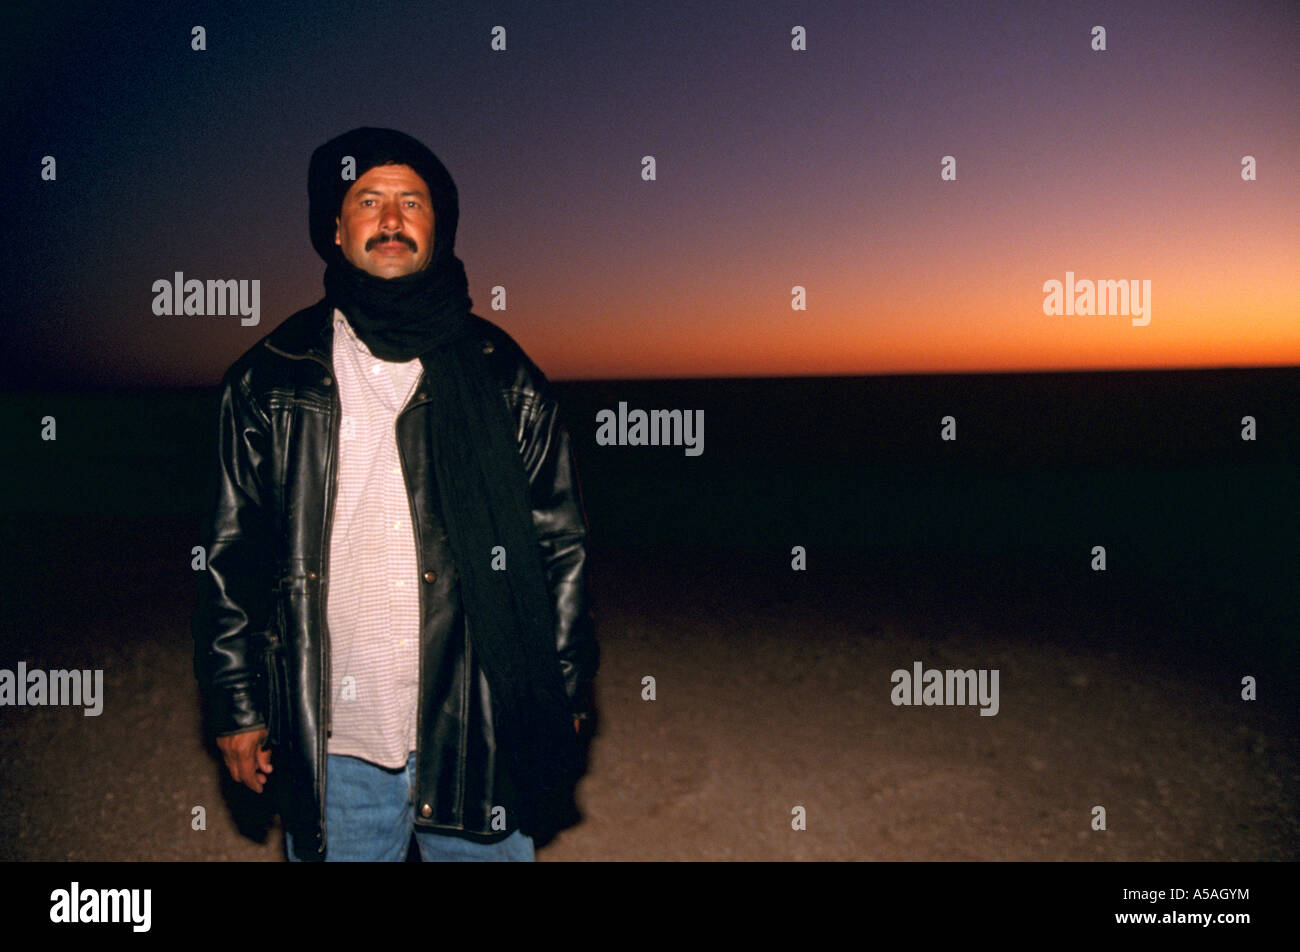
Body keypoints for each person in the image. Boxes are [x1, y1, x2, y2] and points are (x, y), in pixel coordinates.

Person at [191, 127, 597, 862]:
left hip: (479, 724)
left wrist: (562, 693)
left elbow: (558, 545)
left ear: (437, 227)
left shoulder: (503, 375)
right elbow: (229, 556)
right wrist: (237, 704)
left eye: (412, 201)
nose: (390, 218)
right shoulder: (271, 378)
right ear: (335, 229)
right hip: (335, 738)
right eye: (367, 200)